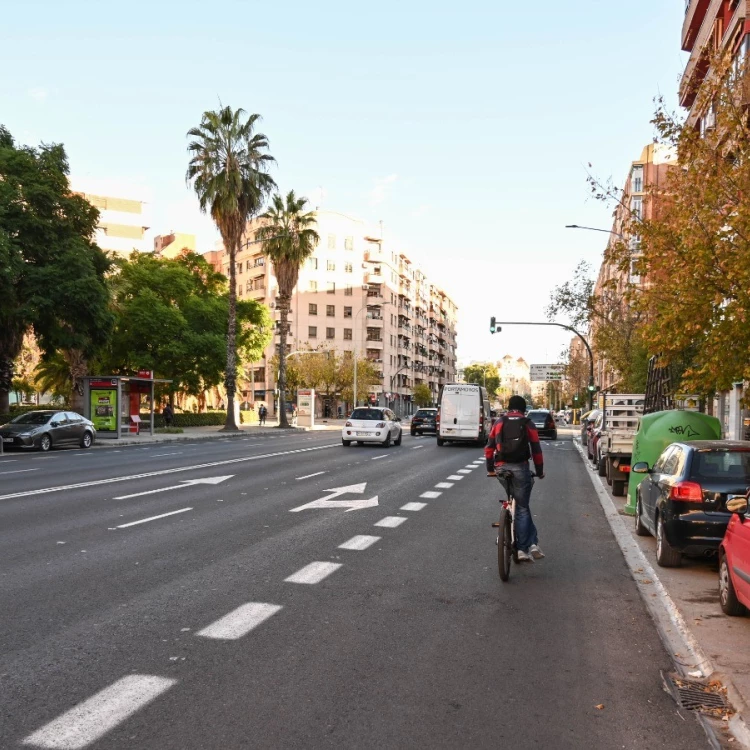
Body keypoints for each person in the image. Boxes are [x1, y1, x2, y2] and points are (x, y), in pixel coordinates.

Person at [485, 395, 545, 562]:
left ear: (509, 407)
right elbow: (536, 449)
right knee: (522, 507)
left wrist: (490, 468)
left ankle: (530, 543)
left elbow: (489, 447)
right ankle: (524, 548)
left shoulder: (499, 422)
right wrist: (539, 471)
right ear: (523, 409)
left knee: (518, 504)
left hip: (501, 469)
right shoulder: (527, 423)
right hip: (520, 468)